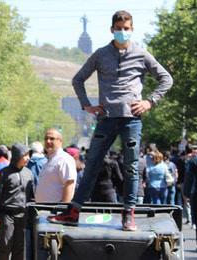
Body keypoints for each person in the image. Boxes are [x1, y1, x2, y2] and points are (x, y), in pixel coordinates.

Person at [48, 10, 173, 231]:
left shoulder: (142, 55)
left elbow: (166, 79)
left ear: (132, 30)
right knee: (92, 164)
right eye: (119, 28)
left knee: (131, 167)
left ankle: (129, 214)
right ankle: (74, 211)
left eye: (126, 29)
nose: (122, 32)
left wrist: (149, 102)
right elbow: (78, 79)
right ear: (112, 29)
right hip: (106, 119)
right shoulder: (101, 54)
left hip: (132, 119)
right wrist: (86, 105)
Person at [0, 143, 34, 260]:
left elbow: (32, 197)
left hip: (23, 216)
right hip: (6, 216)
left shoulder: (29, 173)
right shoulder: (4, 172)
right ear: (18, 156)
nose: (28, 158)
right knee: (5, 246)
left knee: (19, 249)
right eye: (25, 155)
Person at [35, 129, 77, 203]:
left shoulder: (64, 159)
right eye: (46, 139)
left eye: (52, 139)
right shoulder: (49, 160)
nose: (48, 141)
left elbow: (69, 183)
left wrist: (63, 209)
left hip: (55, 211)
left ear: (60, 141)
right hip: (43, 210)